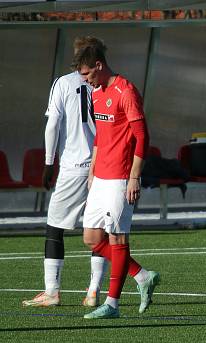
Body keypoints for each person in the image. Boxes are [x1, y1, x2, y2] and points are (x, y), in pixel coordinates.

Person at [75, 40, 160, 319]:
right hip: (100, 177)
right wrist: (92, 170)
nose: (86, 80)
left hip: (121, 177)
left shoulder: (126, 90)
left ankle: (112, 304)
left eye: (88, 74)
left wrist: (134, 176)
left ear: (99, 65)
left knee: (117, 238)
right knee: (91, 238)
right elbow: (100, 134)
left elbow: (142, 136)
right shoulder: (96, 93)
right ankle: (142, 275)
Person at [22, 36, 108, 308]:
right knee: (99, 230)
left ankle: (52, 292)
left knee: (54, 228)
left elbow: (53, 125)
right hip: (103, 167)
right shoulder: (108, 84)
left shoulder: (63, 83)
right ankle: (93, 292)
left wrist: (49, 163)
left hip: (73, 167)